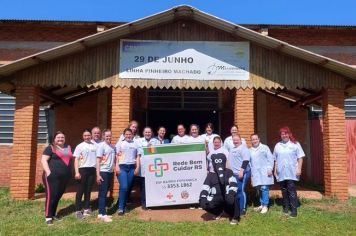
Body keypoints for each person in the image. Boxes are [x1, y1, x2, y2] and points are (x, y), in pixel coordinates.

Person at [41, 131, 73, 226]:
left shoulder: (68, 147)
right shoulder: (50, 148)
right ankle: (48, 217)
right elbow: (43, 160)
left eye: (62, 137)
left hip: (64, 177)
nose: (60, 139)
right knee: (51, 196)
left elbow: (72, 159)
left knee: (57, 196)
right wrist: (48, 172)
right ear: (54, 139)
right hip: (52, 177)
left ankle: (53, 214)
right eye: (58, 137)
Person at [199, 152, 239, 225]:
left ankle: (235, 217)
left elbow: (233, 183)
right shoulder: (211, 174)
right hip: (216, 197)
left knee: (235, 198)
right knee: (203, 202)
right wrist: (203, 197)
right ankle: (218, 212)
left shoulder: (229, 172)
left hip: (227, 196)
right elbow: (205, 187)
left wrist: (231, 193)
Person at [273, 126, 305, 217]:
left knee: (291, 190)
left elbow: (300, 158)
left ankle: (294, 210)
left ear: (289, 134)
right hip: (281, 171)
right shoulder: (277, 145)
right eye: (282, 134)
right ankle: (286, 208)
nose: (284, 135)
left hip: (291, 172)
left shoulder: (295, 144)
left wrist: (299, 168)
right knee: (283, 190)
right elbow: (275, 159)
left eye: (285, 133)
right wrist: (275, 170)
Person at [115, 128, 141, 215]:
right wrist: (117, 166)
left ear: (132, 135)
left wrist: (137, 167)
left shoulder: (136, 143)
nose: (128, 136)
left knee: (128, 187)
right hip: (122, 167)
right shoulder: (120, 143)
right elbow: (117, 155)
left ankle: (124, 204)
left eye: (130, 134)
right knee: (124, 186)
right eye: (126, 134)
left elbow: (137, 156)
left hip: (131, 168)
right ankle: (120, 208)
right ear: (124, 135)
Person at [73, 129, 98, 219]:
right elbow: (76, 160)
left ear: (91, 136)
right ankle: (78, 210)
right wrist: (77, 172)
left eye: (88, 135)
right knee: (80, 190)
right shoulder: (80, 146)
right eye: (85, 136)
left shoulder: (94, 146)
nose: (87, 137)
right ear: (83, 136)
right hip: (82, 170)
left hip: (92, 170)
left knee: (88, 190)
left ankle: (86, 208)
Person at [249, 134, 274, 214]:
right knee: (259, 188)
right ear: (251, 141)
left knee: (264, 188)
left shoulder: (265, 147)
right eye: (253, 139)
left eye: (256, 139)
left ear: (259, 139)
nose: (254, 140)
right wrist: (252, 175)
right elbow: (250, 164)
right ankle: (261, 204)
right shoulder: (250, 150)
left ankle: (265, 206)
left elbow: (270, 158)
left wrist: (270, 168)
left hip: (265, 172)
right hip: (256, 173)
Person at [227, 134, 251, 215]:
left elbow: (246, 160)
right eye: (234, 140)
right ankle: (236, 207)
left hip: (242, 173)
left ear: (241, 140)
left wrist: (241, 171)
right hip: (234, 174)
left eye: (237, 140)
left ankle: (242, 209)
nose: (235, 141)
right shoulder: (232, 149)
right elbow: (229, 161)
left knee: (241, 190)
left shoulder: (243, 148)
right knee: (236, 190)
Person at [137, 127, 159, 210]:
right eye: (146, 132)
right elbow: (138, 154)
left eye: (149, 132)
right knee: (143, 186)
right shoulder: (139, 141)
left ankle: (153, 203)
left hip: (154, 167)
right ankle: (144, 204)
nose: (147, 133)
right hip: (143, 167)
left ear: (152, 133)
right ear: (143, 133)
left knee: (153, 186)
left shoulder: (155, 141)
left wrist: (151, 149)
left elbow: (158, 152)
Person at [96, 129, 116, 222]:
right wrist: (98, 174)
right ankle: (104, 215)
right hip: (103, 172)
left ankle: (100, 213)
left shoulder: (112, 147)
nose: (108, 137)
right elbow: (98, 161)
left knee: (103, 193)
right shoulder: (101, 146)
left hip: (110, 172)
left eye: (110, 135)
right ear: (103, 136)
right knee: (103, 193)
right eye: (107, 136)